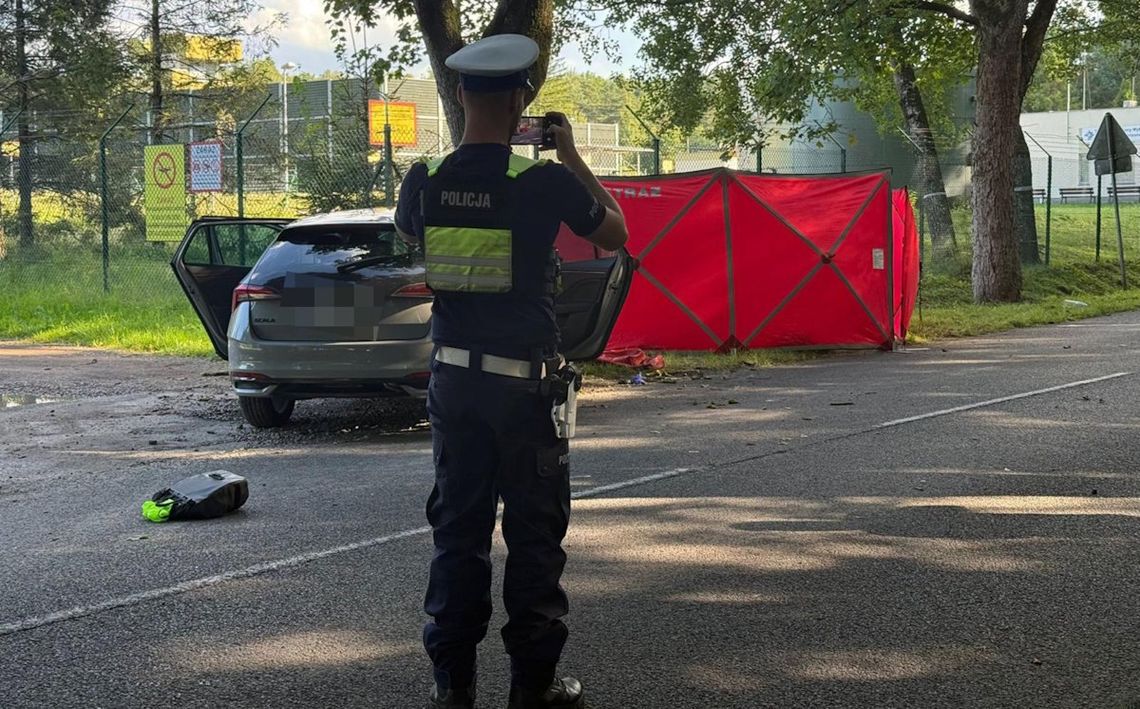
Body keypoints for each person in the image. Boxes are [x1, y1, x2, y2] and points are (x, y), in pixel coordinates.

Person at [394, 33, 628, 709]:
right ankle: (535, 683)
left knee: (458, 528)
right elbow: (614, 234)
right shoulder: (545, 181)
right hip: (524, 388)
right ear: (522, 99)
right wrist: (571, 152)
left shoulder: (425, 181)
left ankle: (453, 683)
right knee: (532, 531)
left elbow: (413, 232)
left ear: (461, 95)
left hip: (453, 385)